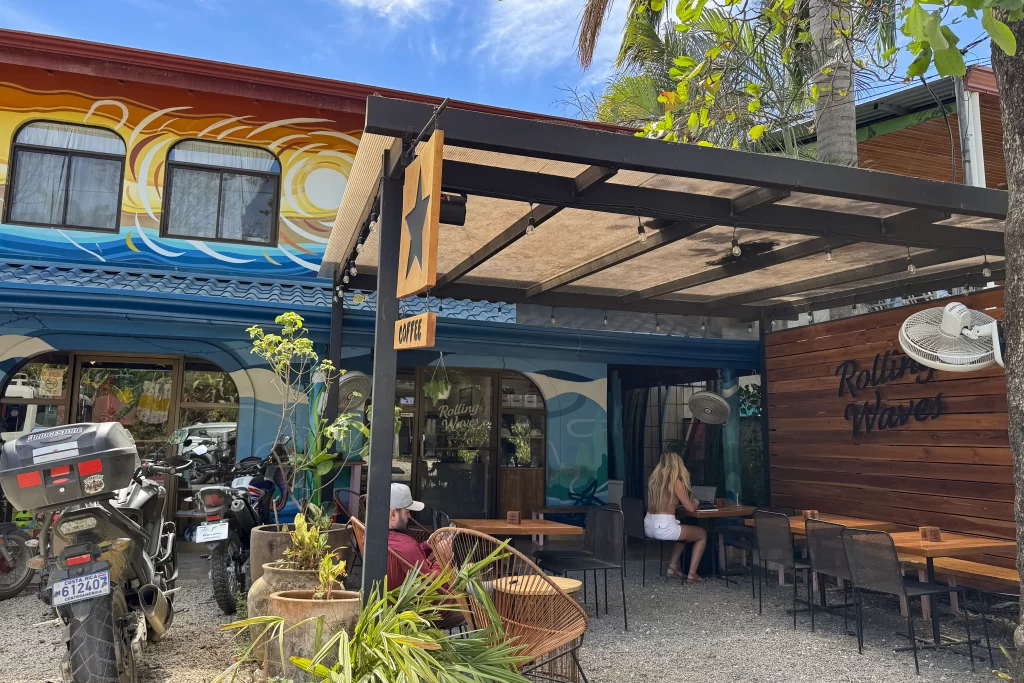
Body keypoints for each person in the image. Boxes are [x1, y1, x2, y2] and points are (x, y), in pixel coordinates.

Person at [386, 483, 462, 628]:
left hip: (398, 607)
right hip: (430, 611)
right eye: (407, 511)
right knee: (486, 587)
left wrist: (428, 545)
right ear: (393, 514)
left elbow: (407, 561)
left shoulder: (378, 540)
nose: (409, 516)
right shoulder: (407, 546)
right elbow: (434, 590)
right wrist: (443, 558)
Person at [644, 450, 707, 582]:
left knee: (683, 532)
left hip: (649, 526)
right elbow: (690, 507)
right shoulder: (675, 482)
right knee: (701, 534)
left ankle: (672, 568)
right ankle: (692, 574)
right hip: (664, 528)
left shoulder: (654, 480)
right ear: (677, 464)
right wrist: (695, 502)